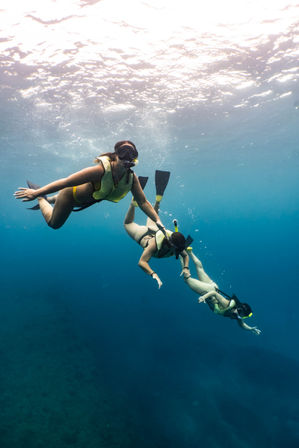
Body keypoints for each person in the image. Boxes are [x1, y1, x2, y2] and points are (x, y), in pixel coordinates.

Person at [14, 141, 165, 231]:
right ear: (116, 154)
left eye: (131, 153)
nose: (126, 157)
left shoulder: (131, 178)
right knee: (54, 224)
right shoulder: (100, 170)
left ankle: (52, 198)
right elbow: (66, 182)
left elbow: (143, 202)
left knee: (57, 199)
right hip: (70, 196)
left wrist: (158, 221)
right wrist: (36, 193)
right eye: (122, 152)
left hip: (87, 198)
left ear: (135, 158)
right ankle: (42, 199)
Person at [124, 170, 192, 289]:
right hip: (144, 235)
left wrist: (186, 268)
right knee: (127, 223)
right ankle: (133, 203)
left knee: (154, 218)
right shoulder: (153, 246)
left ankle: (158, 199)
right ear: (171, 245)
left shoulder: (178, 246)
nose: (180, 251)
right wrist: (153, 274)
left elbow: (185, 256)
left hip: (156, 230)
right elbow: (142, 262)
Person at [181, 249, 261, 335]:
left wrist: (251, 329)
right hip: (209, 291)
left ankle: (190, 252)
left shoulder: (236, 314)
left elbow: (242, 324)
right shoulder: (227, 305)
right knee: (187, 279)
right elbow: (214, 294)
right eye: (243, 315)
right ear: (239, 309)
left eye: (244, 316)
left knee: (200, 269)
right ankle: (181, 254)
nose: (242, 317)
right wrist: (203, 297)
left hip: (213, 287)